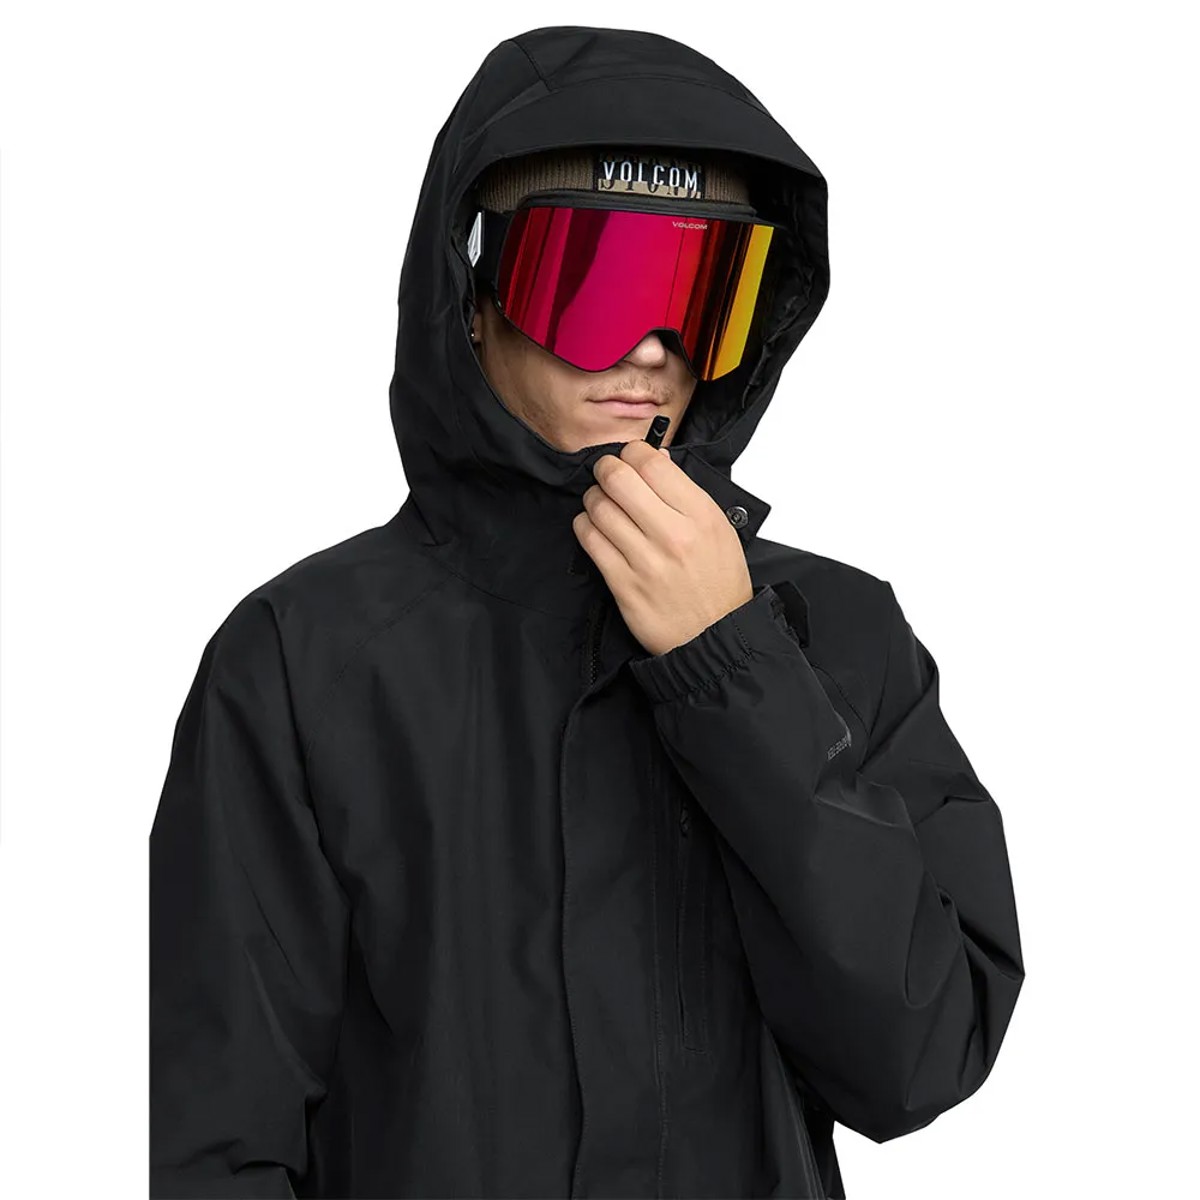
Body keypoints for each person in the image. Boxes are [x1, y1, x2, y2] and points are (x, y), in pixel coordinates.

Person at [149, 25, 1025, 1200]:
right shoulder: (304, 660)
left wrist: (733, 667)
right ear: (471, 293)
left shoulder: (835, 634)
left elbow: (918, 1059)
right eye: (597, 283)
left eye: (702, 296)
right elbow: (220, 1142)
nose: (653, 350)